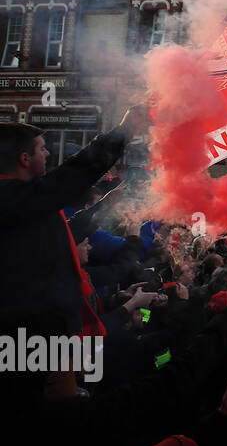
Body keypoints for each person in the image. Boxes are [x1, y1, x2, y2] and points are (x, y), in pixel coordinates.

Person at [0, 105, 150, 340]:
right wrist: (125, 130)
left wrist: (108, 203)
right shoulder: (9, 197)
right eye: (42, 148)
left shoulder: (23, 201)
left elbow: (69, 229)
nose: (48, 154)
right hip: (29, 340)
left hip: (44, 335)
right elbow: (72, 174)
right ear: (25, 158)